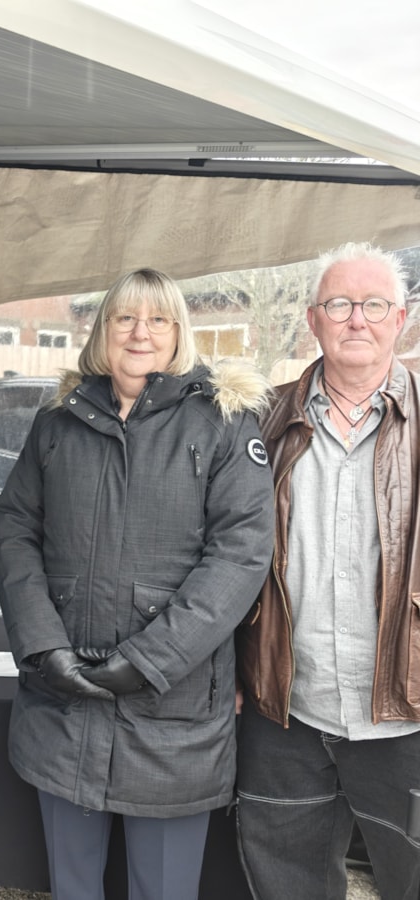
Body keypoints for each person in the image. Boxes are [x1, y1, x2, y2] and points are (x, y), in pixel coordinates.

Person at [0, 268, 275, 900]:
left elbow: (241, 557)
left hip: (171, 713)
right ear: (102, 331)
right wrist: (43, 645)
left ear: (180, 333)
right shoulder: (57, 423)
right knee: (73, 884)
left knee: (164, 889)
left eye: (158, 319)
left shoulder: (222, 424)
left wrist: (147, 661)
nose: (139, 333)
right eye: (124, 318)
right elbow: (13, 532)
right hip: (64, 701)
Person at [236, 242, 420, 900]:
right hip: (285, 707)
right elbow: (224, 557)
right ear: (312, 320)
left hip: (407, 712)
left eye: (373, 304)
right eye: (339, 304)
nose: (356, 320)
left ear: (400, 318)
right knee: (285, 883)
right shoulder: (261, 420)